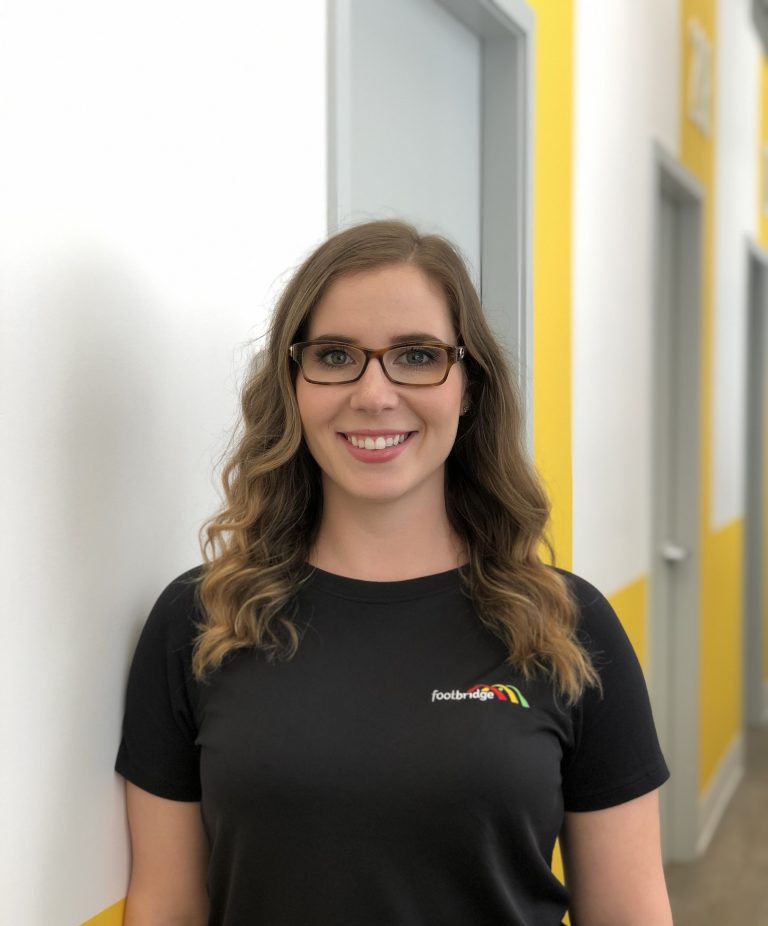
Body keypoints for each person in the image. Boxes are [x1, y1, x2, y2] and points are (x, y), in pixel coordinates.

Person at [116, 220, 673, 926]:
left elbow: (629, 912)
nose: (374, 394)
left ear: (468, 386)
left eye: (416, 355)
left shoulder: (567, 626)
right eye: (335, 355)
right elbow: (166, 906)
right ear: (293, 384)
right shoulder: (202, 621)